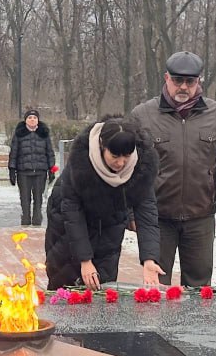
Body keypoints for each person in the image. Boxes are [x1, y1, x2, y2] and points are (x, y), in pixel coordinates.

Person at [130, 51, 216, 287]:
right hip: (156, 218)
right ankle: (157, 326)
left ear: (199, 81)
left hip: (200, 216)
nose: (183, 87)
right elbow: (131, 169)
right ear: (166, 78)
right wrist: (130, 212)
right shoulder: (143, 115)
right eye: (177, 80)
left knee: (199, 286)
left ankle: (197, 325)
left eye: (190, 81)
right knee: (156, 286)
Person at [44, 116, 164, 291]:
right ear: (102, 146)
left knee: (102, 285)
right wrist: (84, 260)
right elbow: (72, 211)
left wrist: (149, 259)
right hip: (67, 224)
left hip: (109, 224)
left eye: (127, 156)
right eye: (114, 156)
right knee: (65, 284)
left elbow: (147, 213)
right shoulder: (81, 162)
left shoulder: (142, 167)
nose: (121, 163)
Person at [7, 109, 55, 226]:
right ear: (25, 120)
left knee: (38, 199)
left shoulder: (44, 134)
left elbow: (50, 153)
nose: (32, 120)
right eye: (29, 118)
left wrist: (52, 170)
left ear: (38, 120)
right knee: (25, 199)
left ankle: (37, 221)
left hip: (40, 171)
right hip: (23, 172)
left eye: (34, 118)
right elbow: (14, 153)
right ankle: (25, 220)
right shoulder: (19, 134)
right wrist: (12, 170)